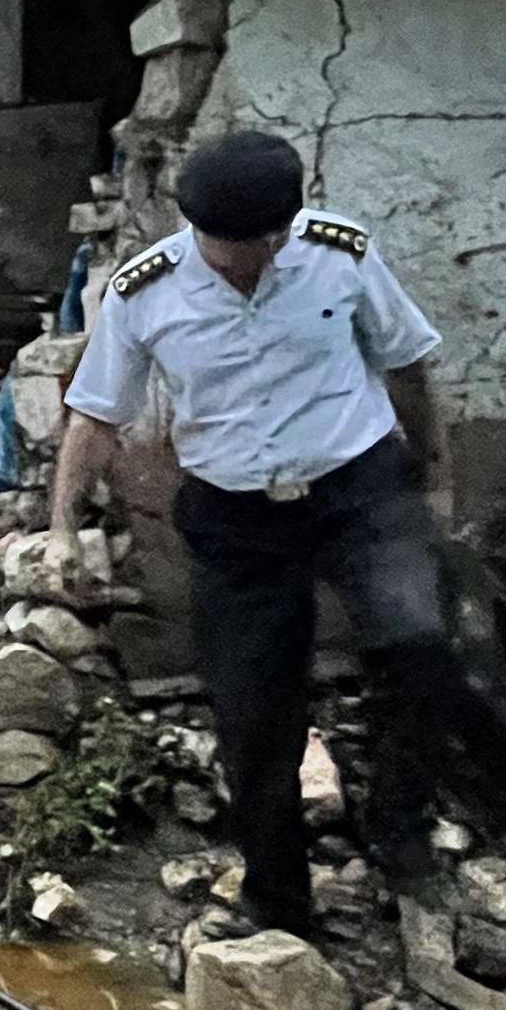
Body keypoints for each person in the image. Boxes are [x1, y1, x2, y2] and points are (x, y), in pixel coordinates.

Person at [50, 129, 466, 937]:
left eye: (267, 244)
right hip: (235, 516)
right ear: (198, 230)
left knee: (418, 642)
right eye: (230, 247)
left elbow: (410, 364)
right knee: (252, 710)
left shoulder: (339, 256)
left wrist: (437, 483)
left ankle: (403, 838)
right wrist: (62, 526)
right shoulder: (146, 293)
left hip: (358, 487)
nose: (251, 261)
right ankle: (279, 899)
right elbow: (97, 413)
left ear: (287, 227)